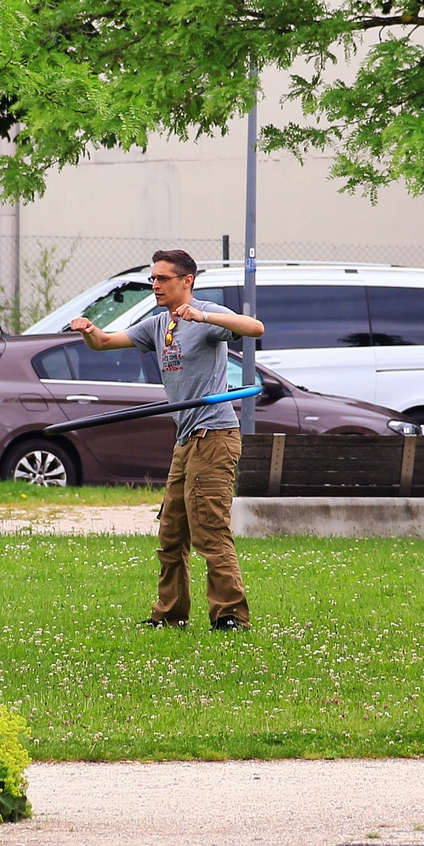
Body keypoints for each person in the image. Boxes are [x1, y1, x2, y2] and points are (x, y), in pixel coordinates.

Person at [70, 249, 266, 630]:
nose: (155, 285)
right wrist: (91, 332)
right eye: (153, 279)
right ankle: (170, 615)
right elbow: (107, 342)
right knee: (171, 532)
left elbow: (255, 328)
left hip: (214, 434)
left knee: (209, 530)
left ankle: (229, 616)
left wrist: (203, 315)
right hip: (186, 439)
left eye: (162, 279)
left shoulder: (206, 317)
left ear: (186, 281)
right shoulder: (158, 325)